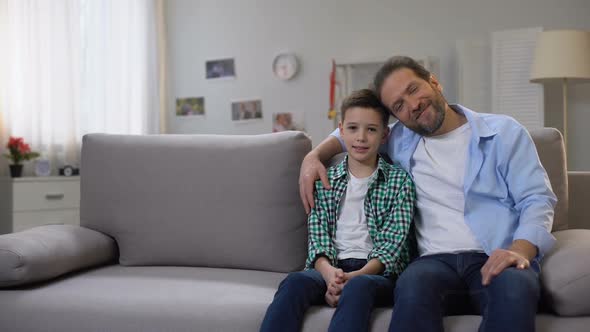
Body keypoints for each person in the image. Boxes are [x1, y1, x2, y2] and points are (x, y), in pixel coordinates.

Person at [299, 56, 557, 332]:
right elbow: (352, 130)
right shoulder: (398, 139)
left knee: (515, 290)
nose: (412, 105)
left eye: (413, 90)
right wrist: (313, 156)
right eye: (398, 106)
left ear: (433, 81)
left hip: (496, 253)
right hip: (432, 263)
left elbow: (537, 199)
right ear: (394, 119)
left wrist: (519, 249)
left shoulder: (504, 132)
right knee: (412, 289)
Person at [260, 89, 416, 332]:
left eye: (371, 129)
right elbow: (318, 233)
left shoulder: (399, 182)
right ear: (341, 130)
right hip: (331, 266)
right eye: (353, 128)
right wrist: (329, 274)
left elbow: (392, 244)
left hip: (376, 273)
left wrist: (353, 278)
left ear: (385, 135)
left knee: (358, 287)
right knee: (294, 283)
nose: (361, 137)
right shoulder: (326, 180)